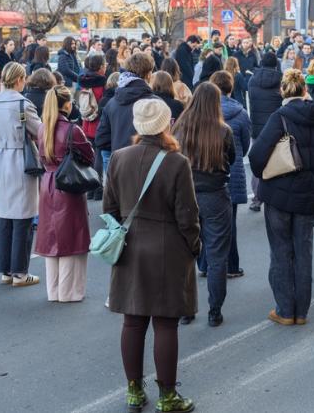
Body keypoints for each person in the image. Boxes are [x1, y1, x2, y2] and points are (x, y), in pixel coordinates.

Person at [105, 99, 199, 413]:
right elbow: (187, 215)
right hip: (167, 247)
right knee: (165, 324)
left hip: (129, 246)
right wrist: (194, 246)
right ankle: (168, 395)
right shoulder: (176, 162)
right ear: (165, 124)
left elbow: (110, 209)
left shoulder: (118, 158)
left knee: (132, 323)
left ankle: (133, 390)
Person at [248, 69, 314, 326]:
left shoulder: (279, 117)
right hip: (309, 194)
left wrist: (264, 174)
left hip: (279, 194)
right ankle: (302, 311)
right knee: (304, 251)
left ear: (283, 90)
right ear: (304, 89)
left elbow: (257, 155)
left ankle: (285, 310)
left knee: (281, 250)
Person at [173, 82, 235, 327]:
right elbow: (231, 158)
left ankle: (186, 309)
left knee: (185, 254)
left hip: (185, 196)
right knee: (218, 255)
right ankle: (214, 310)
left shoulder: (179, 128)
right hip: (215, 194)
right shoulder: (223, 131)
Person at [36, 85, 95, 302]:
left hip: (48, 183)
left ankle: (54, 291)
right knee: (73, 238)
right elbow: (90, 157)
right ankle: (70, 292)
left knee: (52, 238)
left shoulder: (43, 128)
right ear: (67, 104)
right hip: (68, 185)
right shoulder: (72, 130)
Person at [0, 62, 41, 287]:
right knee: (23, 217)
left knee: (6, 216)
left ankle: (6, 270)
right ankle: (20, 272)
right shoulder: (22, 103)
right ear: (19, 79)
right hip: (20, 158)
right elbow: (40, 130)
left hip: (0, 158)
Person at [211, 71, 251, 279]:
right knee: (230, 222)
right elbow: (244, 146)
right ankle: (232, 265)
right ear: (231, 88)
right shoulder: (241, 113)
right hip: (232, 170)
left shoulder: (203, 112)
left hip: (207, 171)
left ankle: (206, 263)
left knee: (206, 221)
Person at [97, 53, 158, 173]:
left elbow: (101, 140)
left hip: (120, 168)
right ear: (149, 74)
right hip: (147, 169)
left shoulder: (111, 103)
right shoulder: (155, 103)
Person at [247, 52, 284, 212]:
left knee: (257, 162)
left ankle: (257, 198)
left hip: (257, 127)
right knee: (277, 163)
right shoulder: (280, 80)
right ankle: (273, 196)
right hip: (275, 127)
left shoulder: (252, 80)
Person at [78, 54, 108, 201]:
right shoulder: (102, 83)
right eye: (104, 64)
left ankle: (89, 189)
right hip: (98, 123)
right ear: (100, 67)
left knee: (90, 156)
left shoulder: (84, 81)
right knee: (98, 156)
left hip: (86, 122)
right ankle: (97, 188)